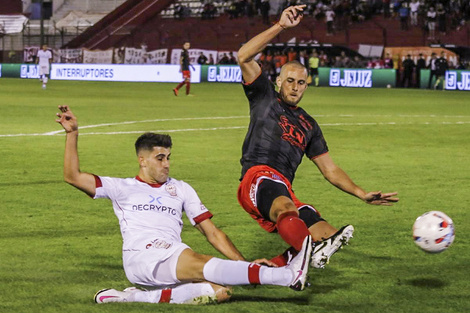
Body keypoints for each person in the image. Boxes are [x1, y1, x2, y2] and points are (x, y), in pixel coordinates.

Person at [54, 106, 313, 305]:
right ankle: (288, 276)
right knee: (200, 261)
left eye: (168, 157)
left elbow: (212, 232)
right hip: (142, 256)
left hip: (170, 256)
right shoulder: (122, 187)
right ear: (142, 160)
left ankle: (130, 298)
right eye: (159, 158)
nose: (166, 163)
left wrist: (242, 263)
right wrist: (73, 133)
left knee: (220, 291)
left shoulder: (181, 188)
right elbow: (72, 176)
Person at [237, 5, 399, 269]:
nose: (295, 87)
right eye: (289, 80)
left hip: (283, 188)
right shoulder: (264, 96)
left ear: (307, 85)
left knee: (328, 233)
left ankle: (274, 266)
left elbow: (330, 169)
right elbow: (243, 56)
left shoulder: (308, 125)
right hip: (258, 177)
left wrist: (361, 193)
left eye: (301, 83)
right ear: (278, 81)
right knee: (287, 209)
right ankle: (305, 258)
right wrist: (280, 26)